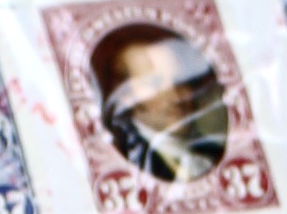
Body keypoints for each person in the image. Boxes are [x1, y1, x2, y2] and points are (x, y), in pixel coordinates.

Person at [91, 22, 228, 185]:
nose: (176, 96)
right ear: (124, 97)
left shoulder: (213, 154)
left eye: (181, 81)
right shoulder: (125, 162)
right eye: (156, 83)